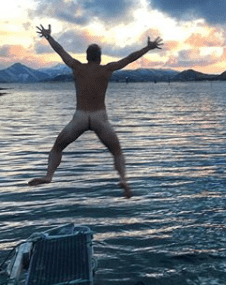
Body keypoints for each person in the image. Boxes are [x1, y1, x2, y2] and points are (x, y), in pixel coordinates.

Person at [29, 24, 163, 198]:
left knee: (57, 148)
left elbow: (60, 50)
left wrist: (48, 37)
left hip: (80, 117)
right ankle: (123, 179)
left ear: (86, 57)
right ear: (100, 58)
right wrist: (148, 47)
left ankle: (49, 176)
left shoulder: (77, 67)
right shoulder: (106, 69)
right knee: (117, 152)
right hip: (100, 117)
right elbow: (130, 58)